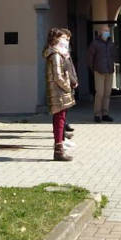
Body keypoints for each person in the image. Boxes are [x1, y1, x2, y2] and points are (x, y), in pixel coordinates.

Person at [44, 27, 78, 161]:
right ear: (55, 39)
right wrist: (68, 87)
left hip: (58, 91)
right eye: (63, 38)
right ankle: (58, 151)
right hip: (58, 92)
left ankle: (59, 147)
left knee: (60, 119)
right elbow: (58, 76)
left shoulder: (58, 53)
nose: (65, 40)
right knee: (59, 119)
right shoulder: (56, 55)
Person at [87, 24, 115, 122]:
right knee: (100, 93)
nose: (107, 32)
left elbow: (113, 56)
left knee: (107, 93)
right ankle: (97, 114)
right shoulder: (95, 43)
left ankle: (105, 113)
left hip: (109, 70)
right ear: (100, 32)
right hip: (99, 70)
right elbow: (90, 57)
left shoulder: (111, 43)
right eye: (105, 30)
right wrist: (93, 68)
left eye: (108, 30)